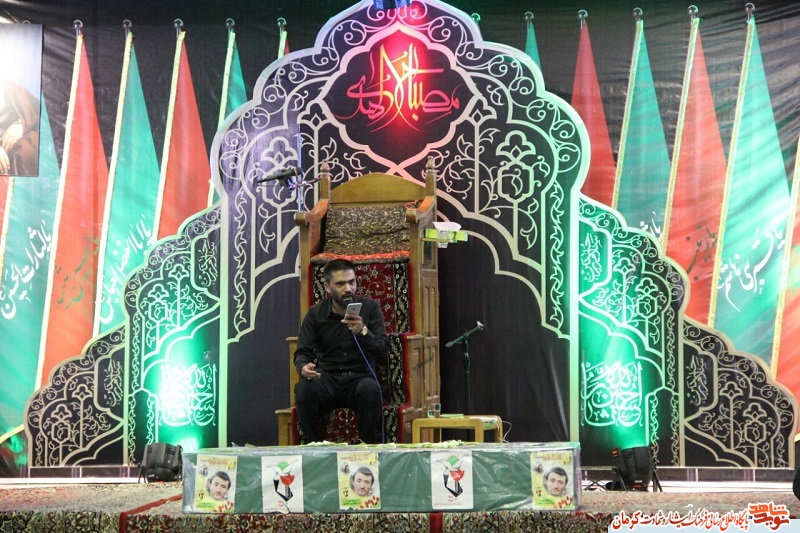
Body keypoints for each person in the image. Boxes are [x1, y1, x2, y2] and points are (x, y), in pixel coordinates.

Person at [294, 258, 389, 444]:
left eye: (351, 282)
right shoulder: (315, 314)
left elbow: (383, 349)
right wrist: (303, 367)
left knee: (370, 389)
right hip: (328, 379)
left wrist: (363, 332)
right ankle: (314, 448)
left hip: (359, 378)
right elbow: (302, 351)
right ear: (327, 287)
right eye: (340, 284)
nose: (348, 289)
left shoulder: (370, 309)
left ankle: (366, 450)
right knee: (304, 389)